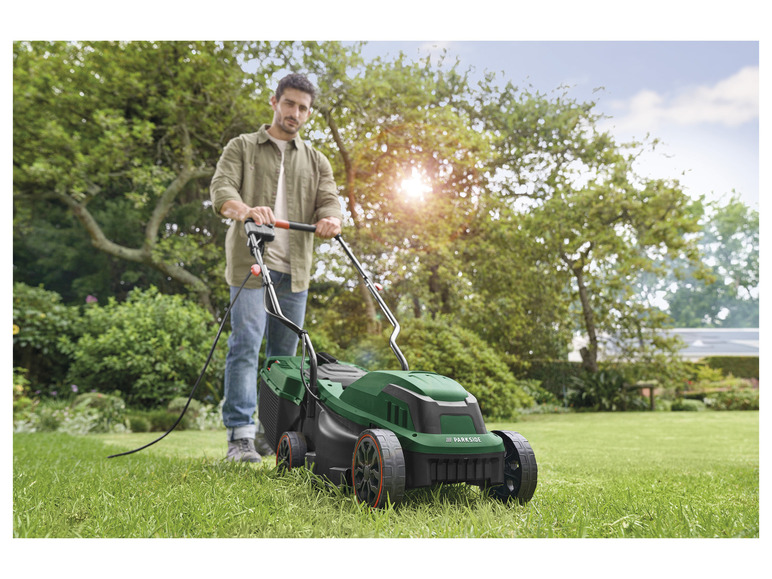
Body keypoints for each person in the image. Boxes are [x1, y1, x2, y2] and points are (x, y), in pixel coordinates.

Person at [209, 73, 342, 462]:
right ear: (274, 102)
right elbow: (222, 190)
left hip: (295, 271)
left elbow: (329, 199)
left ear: (309, 113)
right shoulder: (242, 147)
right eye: (289, 103)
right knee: (246, 344)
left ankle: (273, 435)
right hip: (251, 264)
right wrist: (245, 210)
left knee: (284, 360)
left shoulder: (316, 160)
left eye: (303, 108)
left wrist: (332, 219)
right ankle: (239, 438)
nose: (295, 113)